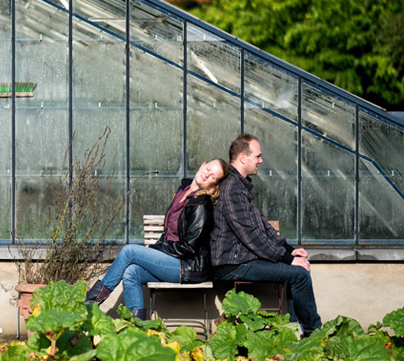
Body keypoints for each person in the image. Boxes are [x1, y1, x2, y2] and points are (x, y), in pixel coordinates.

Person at [84, 159, 229, 320]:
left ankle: (89, 306)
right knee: (132, 273)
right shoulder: (183, 192)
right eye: (208, 168)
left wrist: (155, 248)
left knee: (129, 251)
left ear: (214, 184)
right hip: (173, 260)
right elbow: (170, 232)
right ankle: (138, 330)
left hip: (187, 266)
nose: (206, 174)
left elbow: (188, 247)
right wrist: (156, 246)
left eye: (212, 176)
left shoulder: (202, 204)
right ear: (203, 164)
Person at [210, 134, 322, 335]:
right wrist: (288, 258)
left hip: (241, 259)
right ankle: (314, 333)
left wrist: (290, 251)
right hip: (232, 263)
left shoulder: (240, 186)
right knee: (299, 275)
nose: (261, 160)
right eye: (258, 156)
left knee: (293, 271)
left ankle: (294, 333)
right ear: (243, 158)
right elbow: (251, 236)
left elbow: (262, 226)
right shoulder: (232, 188)